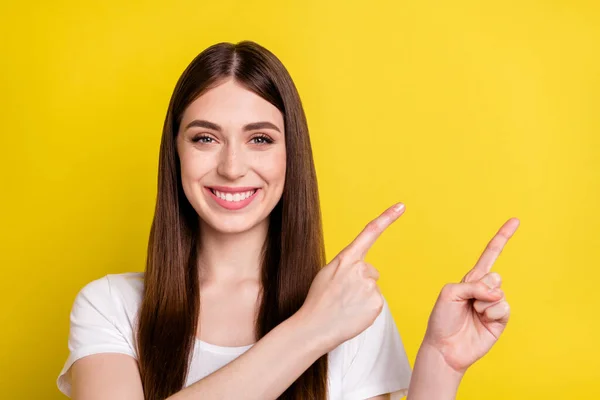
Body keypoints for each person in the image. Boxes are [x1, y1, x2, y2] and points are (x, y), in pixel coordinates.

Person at [56, 41, 519, 400]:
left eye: (260, 139)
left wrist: (441, 363)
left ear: (290, 155)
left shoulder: (353, 311)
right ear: (175, 155)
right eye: (205, 139)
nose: (233, 167)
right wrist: (312, 329)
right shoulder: (109, 306)